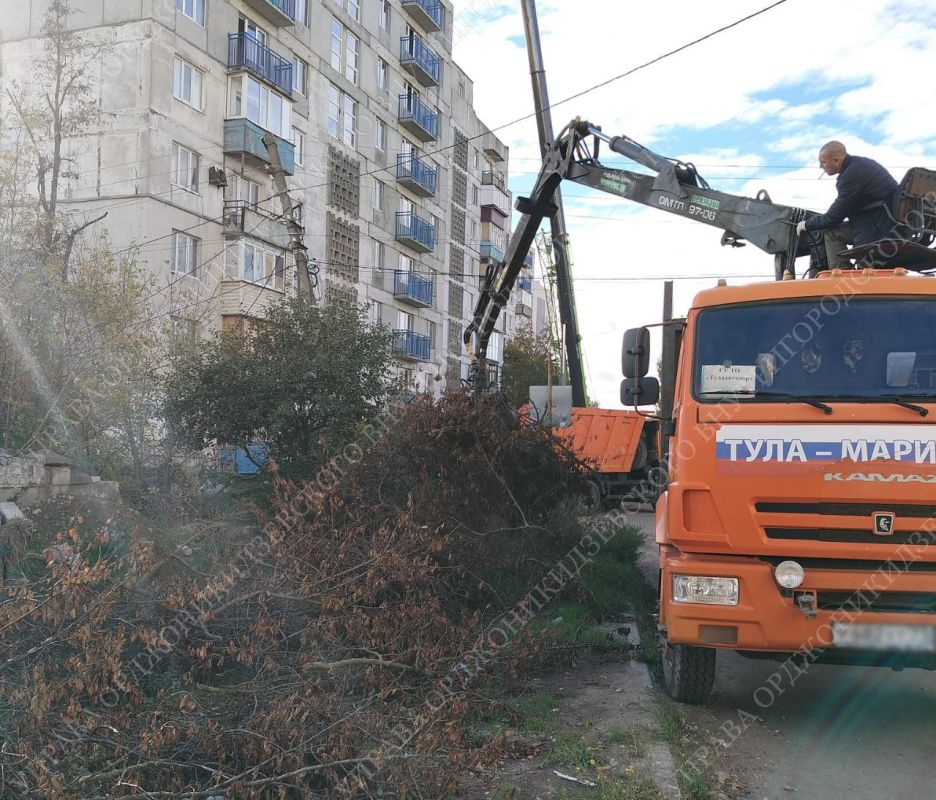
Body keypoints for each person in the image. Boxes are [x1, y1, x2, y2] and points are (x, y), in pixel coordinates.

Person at [795, 141, 899, 268]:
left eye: (823, 162)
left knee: (832, 233)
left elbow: (833, 218)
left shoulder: (849, 176)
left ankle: (841, 274)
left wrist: (806, 224)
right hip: (887, 221)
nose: (820, 167)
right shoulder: (863, 164)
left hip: (876, 228)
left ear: (836, 160)